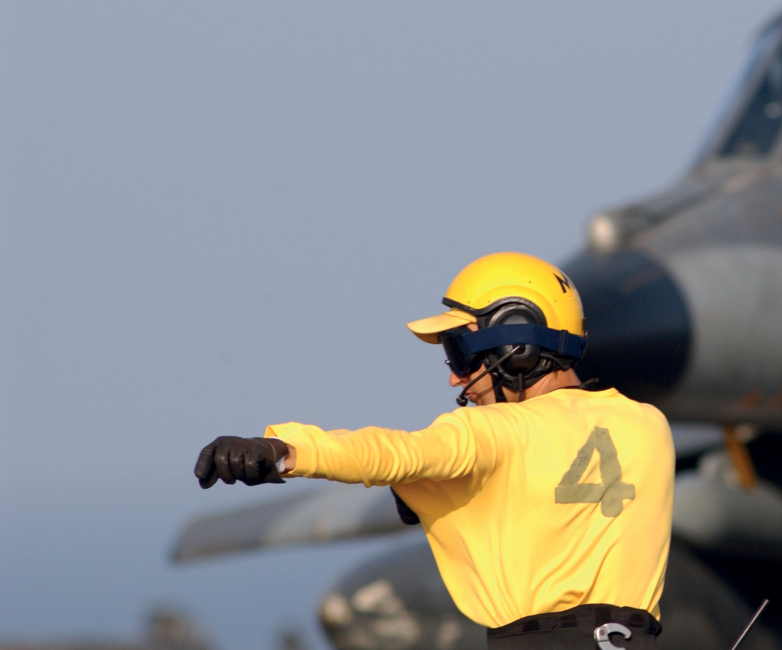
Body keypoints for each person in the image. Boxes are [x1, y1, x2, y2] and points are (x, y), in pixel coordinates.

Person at [193, 252, 675, 650]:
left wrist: (281, 449)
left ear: (517, 347)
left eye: (460, 355)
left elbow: (390, 453)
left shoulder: (492, 432)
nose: (455, 377)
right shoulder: (649, 426)